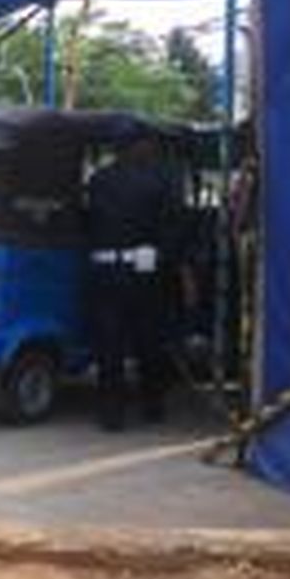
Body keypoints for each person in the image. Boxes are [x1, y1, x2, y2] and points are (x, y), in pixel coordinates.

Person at [86, 137, 189, 432]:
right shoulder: (160, 181)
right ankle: (152, 406)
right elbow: (174, 226)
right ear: (140, 147)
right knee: (148, 341)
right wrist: (168, 260)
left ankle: (111, 413)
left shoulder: (98, 180)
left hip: (105, 270)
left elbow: (89, 222)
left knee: (110, 344)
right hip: (144, 270)